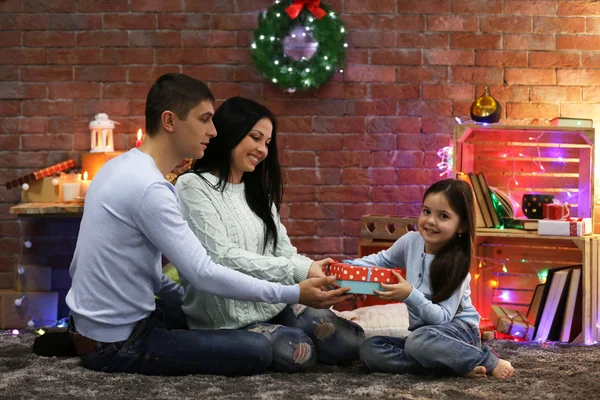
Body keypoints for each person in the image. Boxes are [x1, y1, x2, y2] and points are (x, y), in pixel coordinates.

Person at [65, 73, 351, 377]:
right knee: (256, 350)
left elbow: (145, 273)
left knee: (326, 335)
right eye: (204, 119)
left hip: (99, 326)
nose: (213, 131)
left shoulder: (120, 167)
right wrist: (294, 293)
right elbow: (203, 272)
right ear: (170, 121)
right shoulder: (151, 188)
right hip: (118, 342)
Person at [174, 97, 365, 372]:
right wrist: (302, 270)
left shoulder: (256, 192)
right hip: (226, 320)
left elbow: (284, 252)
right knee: (301, 351)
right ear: (230, 131)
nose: (262, 149)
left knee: (350, 342)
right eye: (255, 137)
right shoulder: (193, 185)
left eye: (267, 142)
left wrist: (318, 276)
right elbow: (222, 257)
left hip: (275, 304)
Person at [352, 179, 515, 380]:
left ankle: (487, 361)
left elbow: (442, 318)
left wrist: (410, 295)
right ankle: (449, 366)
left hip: (459, 333)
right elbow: (380, 260)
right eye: (426, 211)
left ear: (461, 225)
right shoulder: (411, 241)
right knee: (370, 349)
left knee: (418, 342)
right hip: (423, 336)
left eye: (443, 216)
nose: (430, 221)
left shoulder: (458, 265)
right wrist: (344, 267)